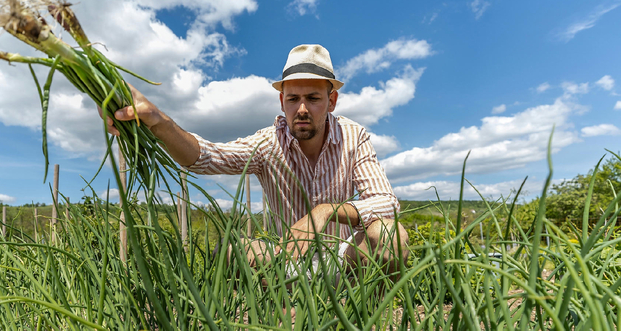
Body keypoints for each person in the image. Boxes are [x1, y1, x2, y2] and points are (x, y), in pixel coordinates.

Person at [102, 44, 408, 280]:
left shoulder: (353, 137)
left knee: (390, 234)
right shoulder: (267, 142)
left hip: (345, 259)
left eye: (313, 98)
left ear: (331, 101)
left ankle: (367, 316)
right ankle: (277, 308)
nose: (301, 109)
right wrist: (159, 122)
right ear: (281, 101)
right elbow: (205, 158)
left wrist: (325, 212)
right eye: (292, 99)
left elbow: (387, 202)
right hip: (287, 261)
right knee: (230, 249)